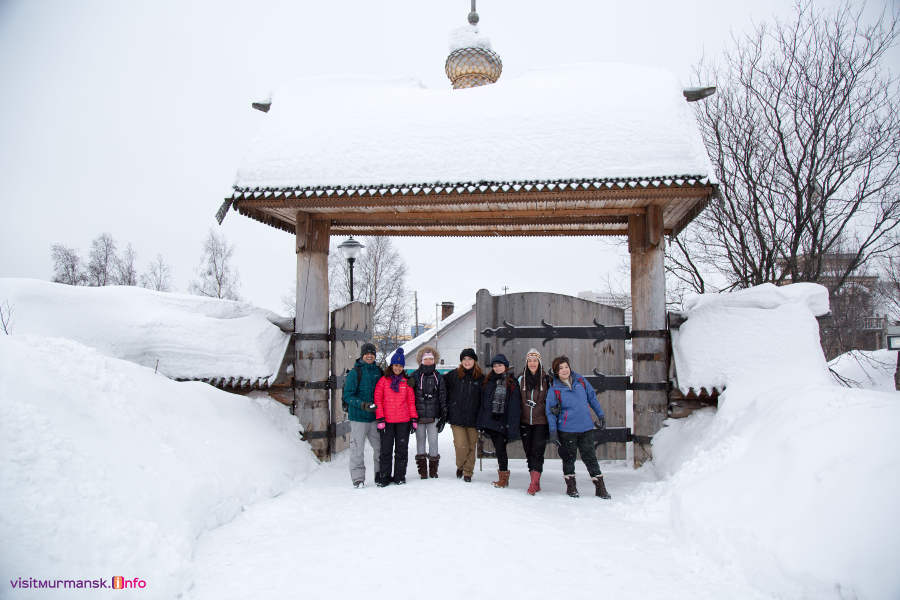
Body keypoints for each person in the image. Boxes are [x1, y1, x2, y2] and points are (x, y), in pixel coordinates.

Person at [546, 355, 611, 499]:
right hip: (567, 430)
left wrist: (600, 415)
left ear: (570, 367)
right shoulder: (554, 389)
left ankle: (600, 488)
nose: (564, 370)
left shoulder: (580, 381)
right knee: (569, 458)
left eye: (566, 367)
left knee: (590, 457)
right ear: (556, 371)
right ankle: (571, 488)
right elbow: (550, 413)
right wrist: (553, 432)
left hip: (586, 428)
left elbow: (592, 398)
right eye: (560, 368)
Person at [476, 354, 521, 488]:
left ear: (505, 367)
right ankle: (503, 477)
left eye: (500, 365)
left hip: (503, 422)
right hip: (490, 421)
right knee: (499, 449)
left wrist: (511, 426)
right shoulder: (488, 381)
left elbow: (514, 406)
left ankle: (503, 478)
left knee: (501, 450)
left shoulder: (512, 382)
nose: (497, 368)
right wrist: (481, 422)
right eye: (495, 366)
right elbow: (484, 403)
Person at [374, 348, 418, 486]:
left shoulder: (407, 382)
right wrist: (380, 418)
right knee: (386, 451)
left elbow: (411, 402)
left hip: (403, 422)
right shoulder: (383, 381)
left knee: (401, 451)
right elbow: (378, 400)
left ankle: (399, 476)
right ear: (391, 366)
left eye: (400, 366)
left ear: (403, 367)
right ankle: (385, 477)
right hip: (387, 422)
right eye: (395, 365)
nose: (398, 368)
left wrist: (414, 418)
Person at [342, 342, 383, 487]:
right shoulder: (355, 372)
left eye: (372, 353)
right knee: (357, 449)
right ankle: (358, 479)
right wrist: (362, 405)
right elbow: (347, 396)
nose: (369, 356)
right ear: (362, 355)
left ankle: (380, 475)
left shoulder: (379, 371)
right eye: (367, 353)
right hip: (358, 418)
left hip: (374, 418)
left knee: (380, 448)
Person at [443, 348, 483, 482]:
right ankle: (460, 465)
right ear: (461, 361)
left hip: (474, 417)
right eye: (464, 359)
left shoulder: (481, 378)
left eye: (470, 359)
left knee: (472, 446)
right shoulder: (453, 375)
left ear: (474, 361)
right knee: (461, 445)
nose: (467, 361)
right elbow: (439, 386)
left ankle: (468, 472)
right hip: (457, 416)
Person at [408, 346, 447, 479]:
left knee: (433, 441)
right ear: (421, 360)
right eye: (426, 359)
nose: (429, 361)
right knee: (420, 441)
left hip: (433, 416)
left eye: (431, 359)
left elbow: (443, 397)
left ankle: (433, 470)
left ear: (434, 359)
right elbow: (409, 397)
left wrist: (443, 416)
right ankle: (423, 471)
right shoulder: (414, 376)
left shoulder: (438, 377)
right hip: (418, 417)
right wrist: (410, 417)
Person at [518, 348, 552, 495]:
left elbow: (552, 400)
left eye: (535, 361)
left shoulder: (547, 379)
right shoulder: (520, 379)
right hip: (525, 422)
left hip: (541, 422)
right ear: (526, 363)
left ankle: (533, 483)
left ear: (539, 362)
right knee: (529, 452)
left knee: (538, 452)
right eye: (530, 361)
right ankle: (535, 481)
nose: (532, 363)